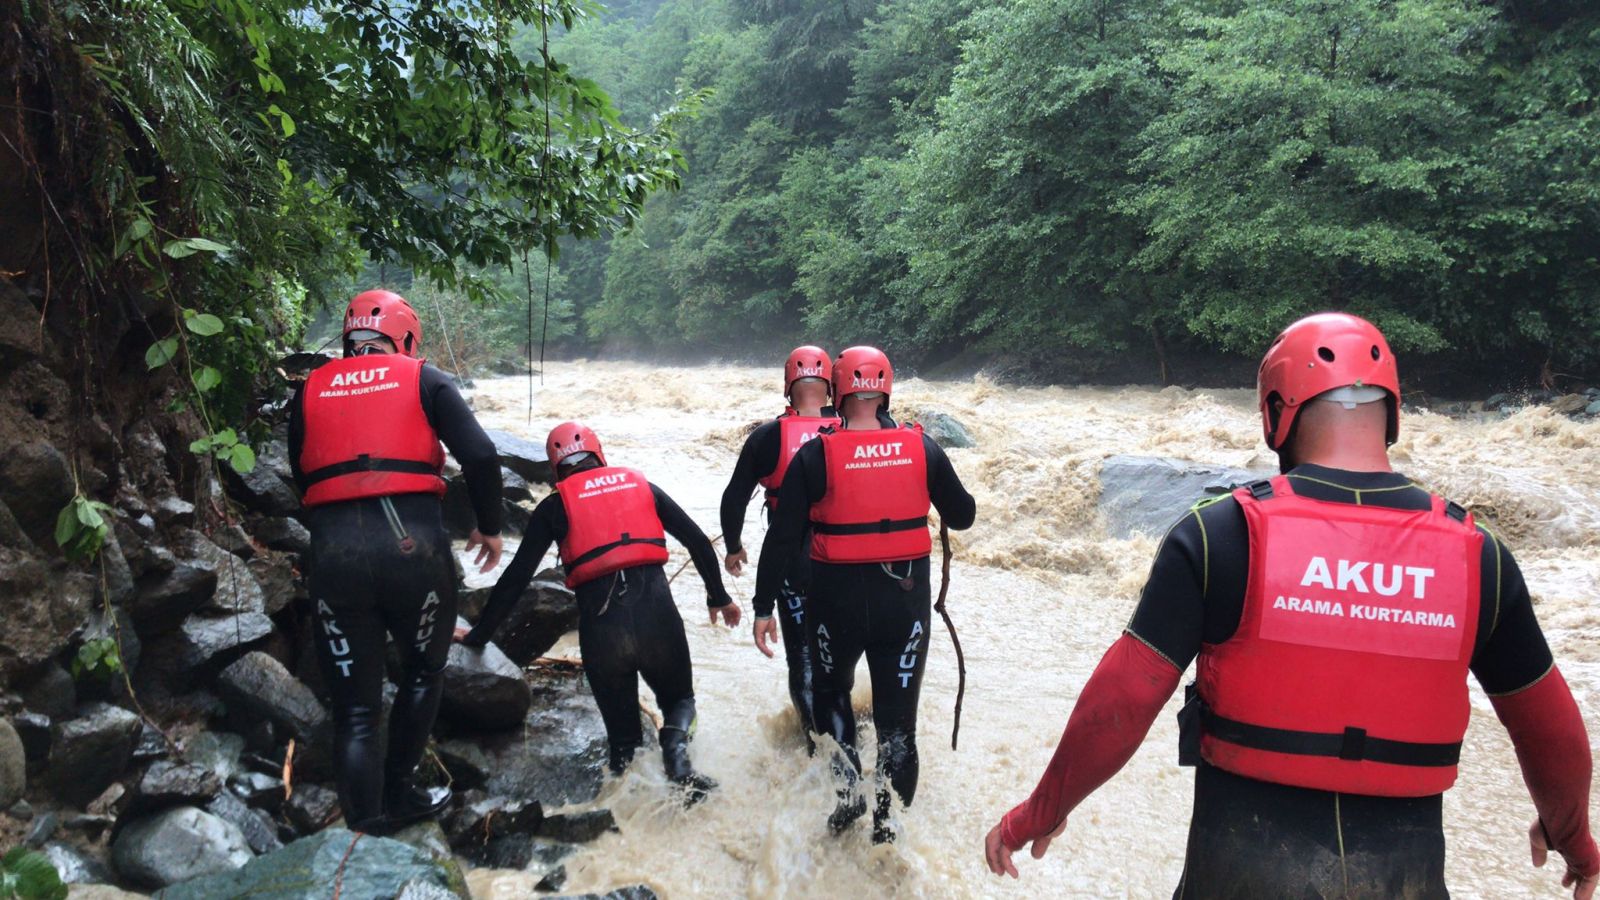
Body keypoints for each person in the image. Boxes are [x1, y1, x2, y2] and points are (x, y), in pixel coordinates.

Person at [983, 312, 1598, 899]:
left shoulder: (1218, 536)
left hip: (1239, 874)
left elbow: (1122, 701)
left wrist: (1042, 810)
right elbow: (1549, 728)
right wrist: (1571, 835)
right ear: (1393, 414)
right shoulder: (1480, 556)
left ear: (1276, 412)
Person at [289, 289, 504, 833]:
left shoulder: (311, 387)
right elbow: (481, 454)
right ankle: (401, 792)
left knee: (355, 710)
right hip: (413, 551)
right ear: (406, 337)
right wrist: (490, 525)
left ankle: (364, 825)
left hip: (334, 555)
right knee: (423, 671)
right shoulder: (424, 378)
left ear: (348, 337)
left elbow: (300, 472)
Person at [755, 345, 976, 843]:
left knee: (831, 693)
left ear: (836, 391)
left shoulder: (816, 454)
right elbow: (963, 515)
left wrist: (763, 606)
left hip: (835, 605)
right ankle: (886, 835)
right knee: (898, 731)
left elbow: (783, 538)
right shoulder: (922, 448)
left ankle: (848, 789)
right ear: (886, 391)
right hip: (904, 606)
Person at [466, 421, 742, 803]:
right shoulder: (642, 486)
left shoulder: (554, 506)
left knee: (624, 745)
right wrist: (718, 597)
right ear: (598, 454)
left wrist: (479, 634)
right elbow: (697, 541)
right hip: (658, 621)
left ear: (555, 469)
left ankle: (624, 816)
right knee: (681, 703)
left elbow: (517, 576)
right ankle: (677, 755)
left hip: (603, 634)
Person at [720, 345, 839, 739]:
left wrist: (734, 547)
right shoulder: (854, 429)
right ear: (830, 386)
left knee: (803, 659)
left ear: (789, 386)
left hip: (793, 564)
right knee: (841, 655)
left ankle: (814, 743)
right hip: (850, 566)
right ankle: (848, 731)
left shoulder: (769, 437)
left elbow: (734, 498)